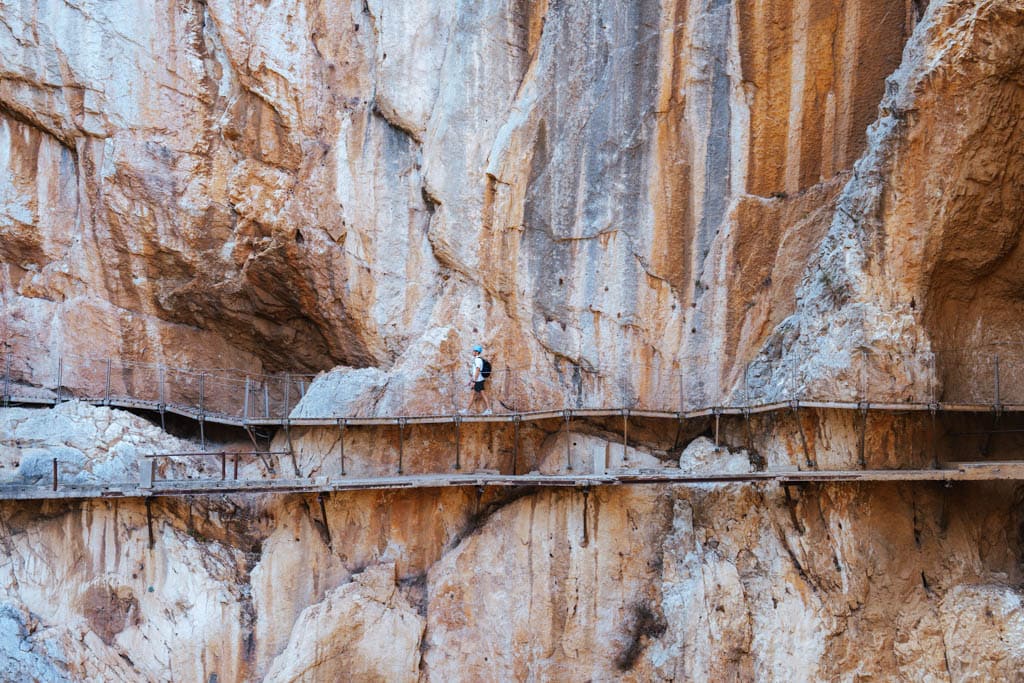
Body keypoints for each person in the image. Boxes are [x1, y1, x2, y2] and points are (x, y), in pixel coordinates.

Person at [463, 344, 493, 415]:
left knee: (473, 395)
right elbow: (475, 372)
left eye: (474, 351)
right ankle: (489, 409)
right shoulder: (478, 360)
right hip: (479, 380)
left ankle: (467, 410)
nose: (472, 352)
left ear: (477, 352)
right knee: (481, 394)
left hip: (478, 380)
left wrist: (474, 381)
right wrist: (470, 380)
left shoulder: (477, 360)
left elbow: (477, 370)